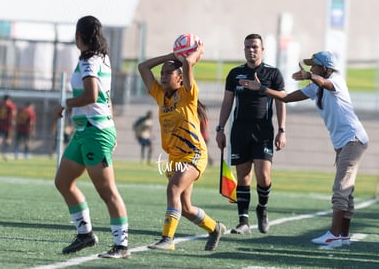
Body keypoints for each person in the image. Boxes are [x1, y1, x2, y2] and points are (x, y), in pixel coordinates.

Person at [242, 51, 369, 248]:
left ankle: (334, 235)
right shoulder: (315, 87)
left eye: (315, 66)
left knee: (341, 189)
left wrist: (310, 76)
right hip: (344, 143)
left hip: (353, 140)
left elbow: (325, 83)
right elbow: (285, 98)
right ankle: (342, 235)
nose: (311, 68)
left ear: (326, 69)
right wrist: (263, 89)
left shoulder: (336, 80)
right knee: (347, 192)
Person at [54, 15, 130, 259]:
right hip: (85, 132)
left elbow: (92, 95)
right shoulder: (102, 58)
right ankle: (85, 234)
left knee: (107, 191)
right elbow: (107, 97)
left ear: (79, 36)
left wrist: (66, 104)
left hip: (95, 134)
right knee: (63, 181)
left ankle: (121, 246)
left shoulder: (89, 62)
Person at [138, 41, 225, 251]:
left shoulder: (187, 94)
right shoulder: (161, 96)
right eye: (162, 72)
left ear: (180, 78)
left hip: (194, 154)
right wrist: (169, 55)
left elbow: (187, 64)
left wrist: (191, 55)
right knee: (185, 208)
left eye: (169, 72)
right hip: (175, 158)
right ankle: (215, 228)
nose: (164, 75)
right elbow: (142, 67)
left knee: (173, 188)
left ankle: (168, 239)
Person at [215, 33, 286, 235]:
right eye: (247, 47)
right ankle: (243, 221)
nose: (251, 50)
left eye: (255, 47)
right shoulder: (235, 73)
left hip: (263, 130)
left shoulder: (273, 74)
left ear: (262, 49)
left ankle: (262, 209)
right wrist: (220, 129)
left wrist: (282, 130)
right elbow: (227, 102)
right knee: (243, 176)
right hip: (239, 130)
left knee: (263, 175)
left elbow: (282, 101)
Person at [0, 94, 17, 160]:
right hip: (8, 126)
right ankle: (4, 153)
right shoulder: (11, 105)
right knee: (8, 140)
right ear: (9, 100)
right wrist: (13, 121)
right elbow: (13, 113)